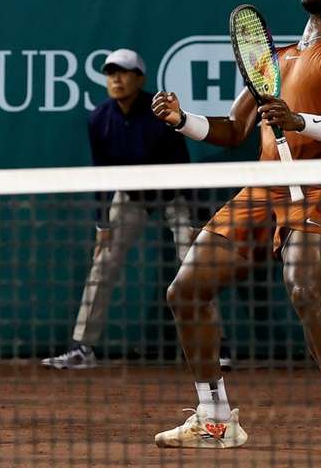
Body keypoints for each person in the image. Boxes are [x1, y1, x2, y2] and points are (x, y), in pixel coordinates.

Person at [150, 0, 321, 454]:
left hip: (315, 188)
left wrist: (299, 121)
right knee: (186, 291)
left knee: (303, 291)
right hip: (263, 188)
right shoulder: (273, 61)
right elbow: (233, 130)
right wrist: (182, 120)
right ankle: (214, 420)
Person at [41, 49, 231, 370]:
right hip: (129, 196)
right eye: (111, 72)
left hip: (174, 195)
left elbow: (182, 166)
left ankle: (216, 345)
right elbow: (102, 175)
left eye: (124, 72)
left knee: (194, 266)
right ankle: (82, 348)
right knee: (102, 263)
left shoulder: (160, 114)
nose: (116, 78)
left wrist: (196, 219)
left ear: (139, 79)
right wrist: (103, 225)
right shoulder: (98, 119)